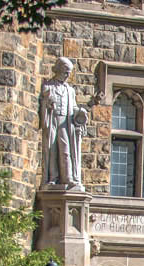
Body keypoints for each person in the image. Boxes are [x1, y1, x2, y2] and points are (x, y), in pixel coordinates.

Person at [39, 56, 86, 189]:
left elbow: (74, 107)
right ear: (58, 70)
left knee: (66, 150)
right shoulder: (48, 86)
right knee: (52, 150)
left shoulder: (69, 90)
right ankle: (52, 178)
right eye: (65, 72)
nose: (67, 76)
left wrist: (80, 112)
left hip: (65, 123)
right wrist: (48, 103)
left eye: (68, 73)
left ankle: (68, 177)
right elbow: (45, 101)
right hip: (53, 120)